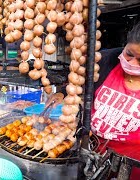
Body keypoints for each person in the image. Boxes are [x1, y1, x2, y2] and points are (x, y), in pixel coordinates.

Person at [49, 22, 140, 179]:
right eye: (129, 54)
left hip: (129, 167)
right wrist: (63, 93)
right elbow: (82, 80)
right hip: (91, 154)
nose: (132, 63)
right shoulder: (107, 59)